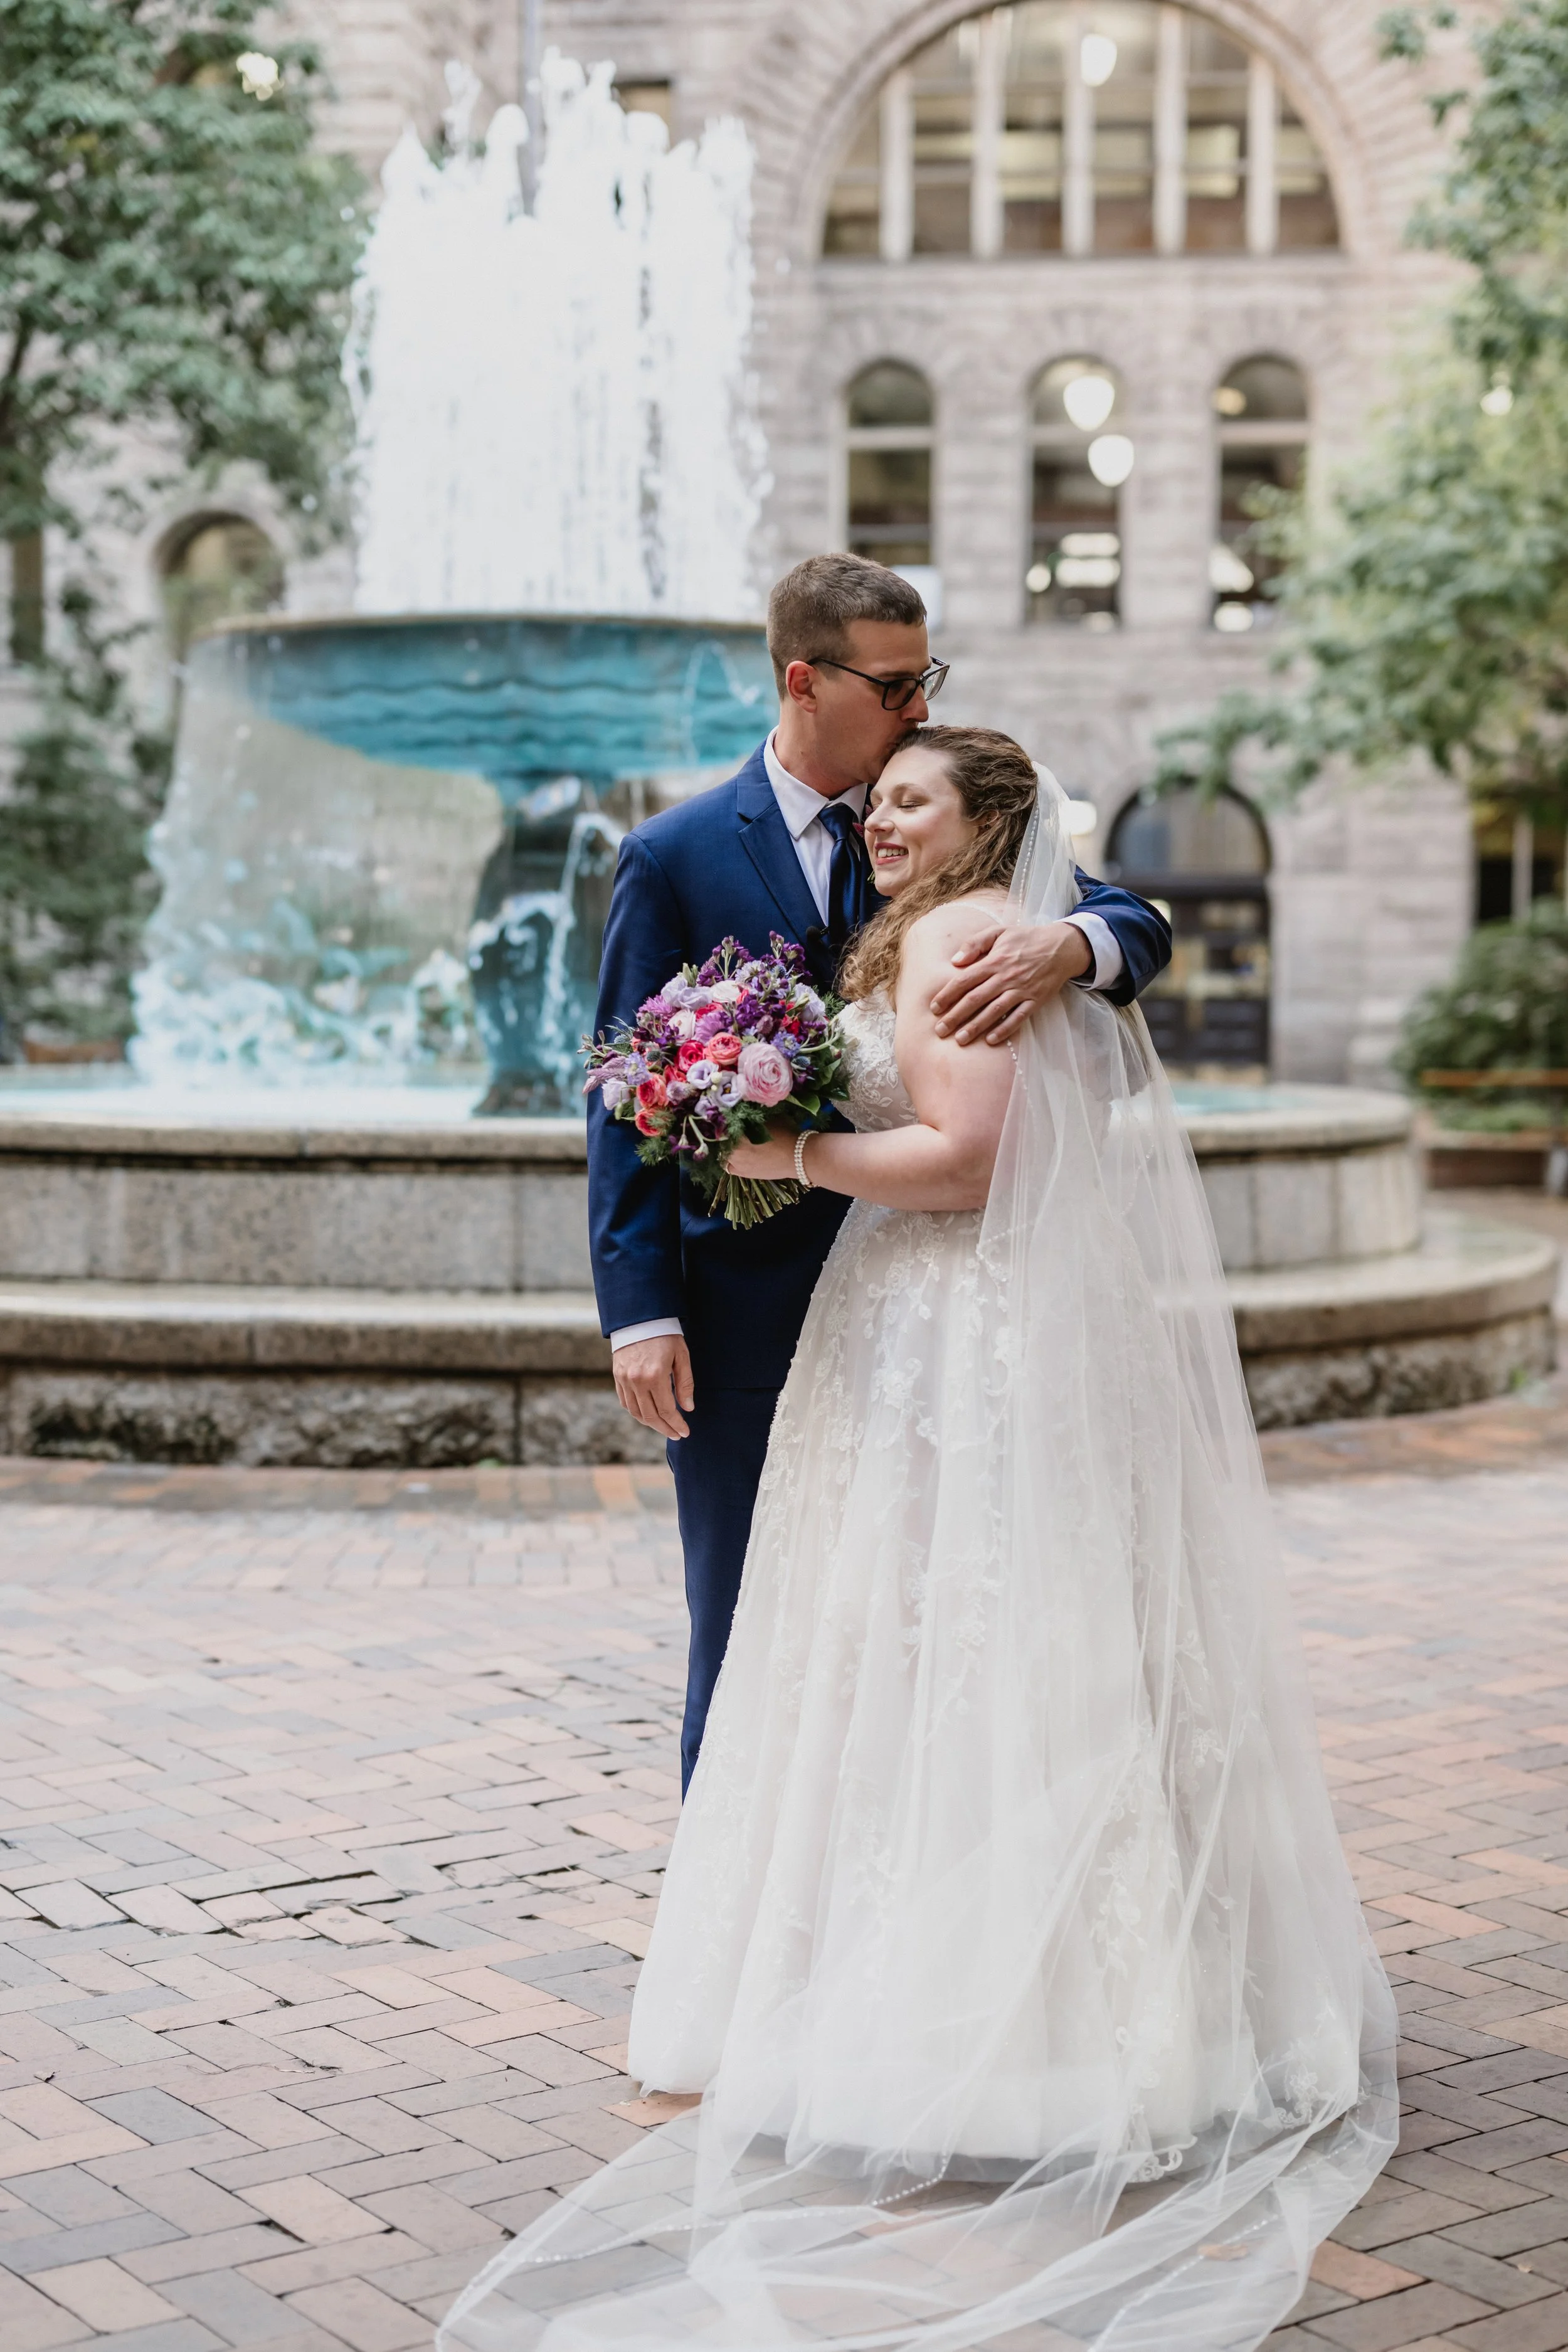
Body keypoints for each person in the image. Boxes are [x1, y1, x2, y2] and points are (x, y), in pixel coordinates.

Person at [442, 727, 1395, 2352]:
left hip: (947, 1328)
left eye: (916, 791)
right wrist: (652, 1277)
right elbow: (627, 1074)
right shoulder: (703, 859)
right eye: (878, 784)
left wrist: (787, 1143)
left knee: (956, 1637)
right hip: (851, 1327)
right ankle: (837, 1977)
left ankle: (989, 2025)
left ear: (985, 826)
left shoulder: (975, 925)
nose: (884, 806)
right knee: (841, 1647)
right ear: (804, 681)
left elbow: (969, 1151)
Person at [588, 552, 1171, 1790]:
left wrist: (1067, 942)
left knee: (922, 1628)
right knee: (749, 1632)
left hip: (925, 1310)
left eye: (926, 680)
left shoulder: (931, 817)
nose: (920, 709)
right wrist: (638, 1308)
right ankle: (735, 1941)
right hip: (743, 1308)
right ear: (803, 680)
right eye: (896, 684)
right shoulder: (674, 854)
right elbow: (626, 1094)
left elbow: (1138, 922)